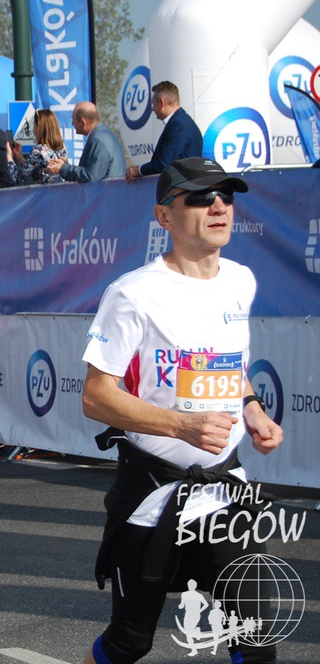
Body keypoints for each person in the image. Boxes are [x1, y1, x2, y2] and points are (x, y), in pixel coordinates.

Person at [80, 157, 283, 664]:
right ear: (164, 216)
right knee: (129, 643)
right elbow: (95, 396)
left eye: (226, 196)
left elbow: (228, 365)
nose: (218, 206)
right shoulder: (133, 293)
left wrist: (252, 408)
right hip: (153, 492)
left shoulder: (240, 280)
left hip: (223, 491)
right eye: (200, 197)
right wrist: (182, 425)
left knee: (256, 642)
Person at [125, 81, 203, 180]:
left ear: (162, 102)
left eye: (153, 104)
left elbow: (164, 164)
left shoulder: (178, 125)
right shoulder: (182, 122)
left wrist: (139, 170)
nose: (152, 109)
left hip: (182, 186)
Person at [46, 101, 127, 184]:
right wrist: (67, 166)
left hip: (107, 192)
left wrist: (63, 168)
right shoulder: (104, 135)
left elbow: (91, 177)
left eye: (73, 120)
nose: (72, 123)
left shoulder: (98, 140)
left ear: (83, 123)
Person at [6, 109, 69, 185]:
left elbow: (18, 179)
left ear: (39, 127)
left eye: (34, 125)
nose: (33, 129)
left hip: (46, 191)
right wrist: (21, 158)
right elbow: (35, 167)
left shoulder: (39, 150)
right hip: (62, 190)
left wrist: (9, 157)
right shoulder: (62, 147)